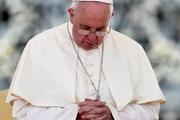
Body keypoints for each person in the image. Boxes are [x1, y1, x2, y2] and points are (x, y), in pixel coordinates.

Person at [6, 0, 166, 119]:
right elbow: (22, 113)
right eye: (85, 28)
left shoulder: (132, 49)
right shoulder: (39, 46)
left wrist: (113, 115)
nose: (92, 37)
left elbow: (151, 111)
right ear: (71, 14)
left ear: (111, 16)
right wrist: (73, 115)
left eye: (101, 30)